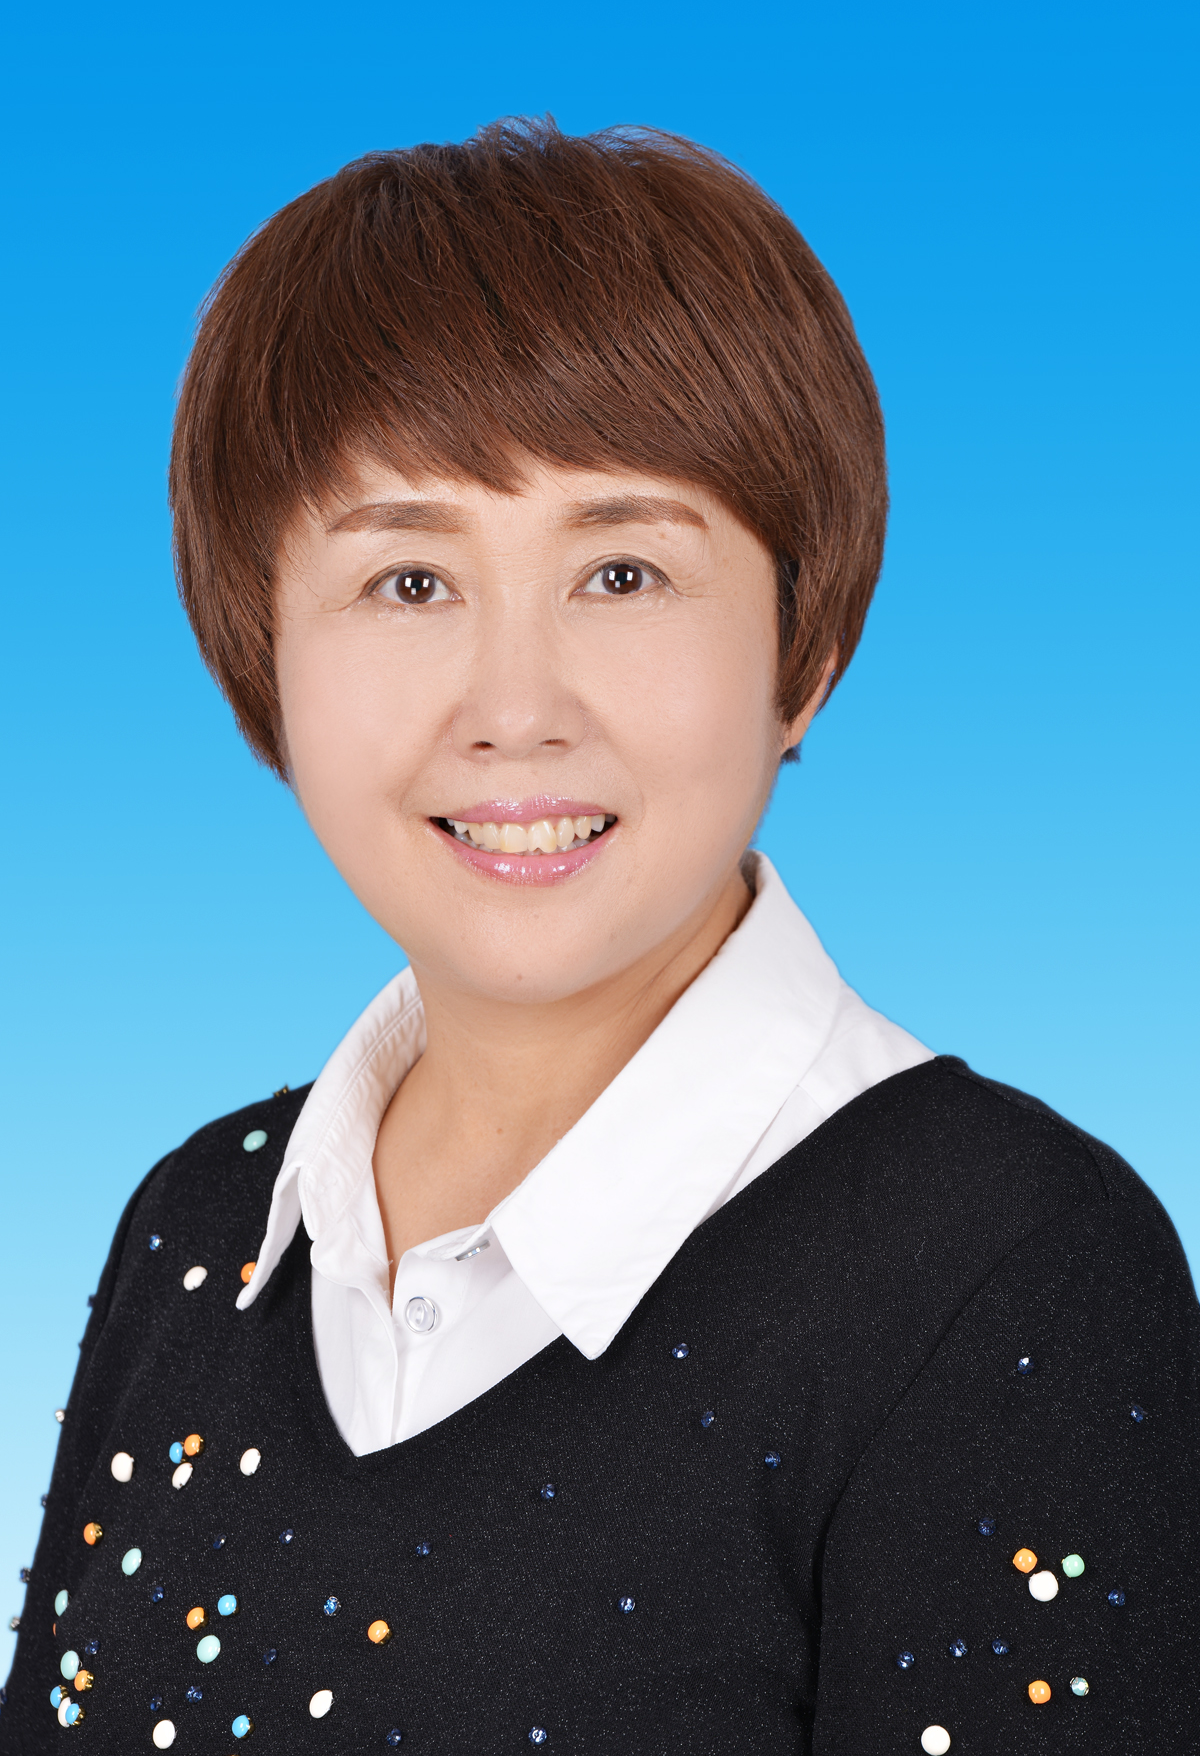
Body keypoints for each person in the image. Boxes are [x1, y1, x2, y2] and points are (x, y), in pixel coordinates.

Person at [3, 118, 1196, 1756]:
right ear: (260, 659)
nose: (515, 710)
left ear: (806, 650)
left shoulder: (1014, 1273)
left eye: (623, 573)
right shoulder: (198, 1230)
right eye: (409, 582)